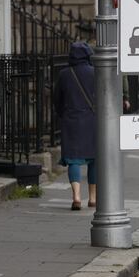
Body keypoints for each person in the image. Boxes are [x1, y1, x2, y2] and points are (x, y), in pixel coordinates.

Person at [54, 42, 97, 211]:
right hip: (93, 121)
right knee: (94, 160)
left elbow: (57, 99)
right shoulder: (96, 73)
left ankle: (76, 196)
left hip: (72, 120)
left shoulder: (65, 74)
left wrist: (62, 114)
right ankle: (93, 198)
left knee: (73, 159)